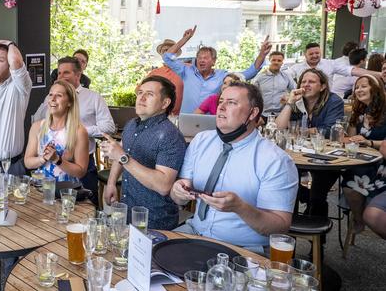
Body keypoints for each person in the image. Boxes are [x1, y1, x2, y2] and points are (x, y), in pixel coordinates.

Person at [170, 82, 298, 252]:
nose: (221, 107)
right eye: (221, 101)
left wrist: (241, 208)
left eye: (231, 102)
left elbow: (280, 228)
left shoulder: (276, 160)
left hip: (243, 248)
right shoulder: (201, 141)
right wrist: (178, 192)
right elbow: (178, 195)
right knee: (142, 259)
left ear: (252, 113)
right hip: (195, 232)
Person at [101, 76, 187, 230]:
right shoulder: (131, 125)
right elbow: (119, 154)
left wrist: (123, 157)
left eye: (150, 94)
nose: (142, 97)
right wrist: (111, 183)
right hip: (127, 212)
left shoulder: (170, 135)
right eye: (140, 92)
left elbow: (163, 185)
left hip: (156, 221)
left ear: (165, 103)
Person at [32, 56, 115, 204]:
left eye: (66, 73)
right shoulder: (50, 97)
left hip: (83, 163)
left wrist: (75, 131)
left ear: (78, 75)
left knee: (87, 207)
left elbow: (109, 127)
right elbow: (37, 118)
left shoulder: (94, 98)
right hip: (49, 165)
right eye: (59, 73)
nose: (61, 76)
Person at [275, 68, 344, 222]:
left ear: (323, 86)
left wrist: (300, 131)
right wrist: (289, 103)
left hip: (326, 157)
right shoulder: (297, 101)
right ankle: (288, 225)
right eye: (303, 81)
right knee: (288, 183)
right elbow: (279, 127)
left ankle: (317, 239)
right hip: (300, 155)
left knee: (317, 194)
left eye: (311, 82)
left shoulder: (333, 101)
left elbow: (330, 130)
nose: (306, 85)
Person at [163, 29, 272, 113]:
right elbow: (167, 57)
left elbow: (249, 73)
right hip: (187, 120)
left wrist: (262, 54)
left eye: (205, 58)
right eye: (199, 58)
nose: (201, 60)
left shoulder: (222, 76)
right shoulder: (186, 70)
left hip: (210, 122)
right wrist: (185, 39)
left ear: (214, 61)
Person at [342, 75, 386, 232]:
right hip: (365, 159)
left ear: (375, 88)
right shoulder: (360, 111)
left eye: (363, 86)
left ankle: (367, 218)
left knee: (356, 174)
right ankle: (359, 219)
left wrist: (369, 142)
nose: (359, 90)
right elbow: (351, 138)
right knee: (349, 179)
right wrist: (348, 132)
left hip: (383, 163)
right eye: (357, 87)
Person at [24, 80, 89, 181]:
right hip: (39, 190)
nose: (53, 99)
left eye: (59, 95)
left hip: (65, 192)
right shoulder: (37, 127)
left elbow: (81, 172)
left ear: (69, 102)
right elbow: (28, 162)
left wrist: (57, 160)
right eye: (50, 95)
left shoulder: (79, 131)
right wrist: (43, 158)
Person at [284, 42, 379, 91]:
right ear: (305, 55)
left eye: (317, 53)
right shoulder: (297, 67)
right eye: (311, 54)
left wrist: (379, 74)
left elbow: (352, 71)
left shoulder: (330, 64)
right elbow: (284, 76)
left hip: (326, 103)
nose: (314, 56)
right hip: (303, 103)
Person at [147, 37, 192, 116]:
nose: (167, 53)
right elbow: (139, 90)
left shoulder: (188, 68)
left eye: (170, 50)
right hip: (159, 116)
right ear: (161, 54)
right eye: (164, 51)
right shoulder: (154, 73)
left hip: (183, 116)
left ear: (176, 52)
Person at [253, 51, 296, 118]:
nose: (276, 62)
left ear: (282, 63)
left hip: (281, 114)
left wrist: (288, 97)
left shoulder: (287, 76)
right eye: (273, 60)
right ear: (269, 61)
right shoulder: (259, 77)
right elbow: (252, 95)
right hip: (262, 115)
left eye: (279, 60)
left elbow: (295, 90)